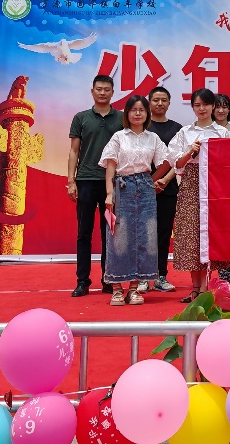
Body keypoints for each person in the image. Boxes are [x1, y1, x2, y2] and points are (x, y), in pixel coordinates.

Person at [99, 95, 171, 305]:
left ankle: (134, 288)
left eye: (142, 110)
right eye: (133, 110)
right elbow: (110, 165)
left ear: (147, 113)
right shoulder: (119, 137)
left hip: (146, 189)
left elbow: (167, 161)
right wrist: (109, 194)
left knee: (145, 236)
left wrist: (152, 180)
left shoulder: (153, 138)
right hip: (122, 187)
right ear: (127, 113)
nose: (138, 113)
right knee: (119, 237)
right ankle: (117, 288)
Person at [167, 88, 230, 302]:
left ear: (213, 106)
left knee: (210, 235)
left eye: (205, 104)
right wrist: (190, 151)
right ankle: (195, 288)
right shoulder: (185, 132)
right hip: (191, 184)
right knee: (191, 235)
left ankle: (206, 288)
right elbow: (177, 163)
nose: (201, 108)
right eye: (197, 105)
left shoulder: (222, 133)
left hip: (214, 184)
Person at [68, 75, 123, 297]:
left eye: (106, 89)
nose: (102, 93)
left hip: (113, 182)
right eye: (99, 89)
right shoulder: (81, 118)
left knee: (110, 233)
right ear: (92, 92)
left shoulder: (121, 118)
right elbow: (74, 151)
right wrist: (71, 180)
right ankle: (82, 281)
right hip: (86, 180)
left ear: (112, 92)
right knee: (84, 233)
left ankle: (109, 279)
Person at [139, 86, 181, 295]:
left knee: (163, 234)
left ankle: (161, 276)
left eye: (164, 100)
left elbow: (179, 160)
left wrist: (164, 179)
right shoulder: (141, 127)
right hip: (142, 188)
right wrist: (149, 182)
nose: (160, 103)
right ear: (149, 102)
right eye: (156, 100)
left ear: (169, 103)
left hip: (168, 187)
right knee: (144, 234)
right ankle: (143, 277)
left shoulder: (177, 129)